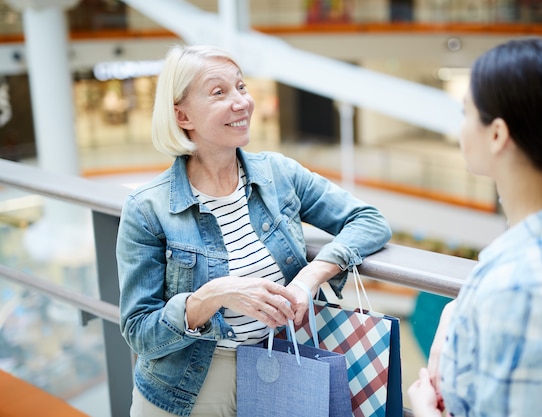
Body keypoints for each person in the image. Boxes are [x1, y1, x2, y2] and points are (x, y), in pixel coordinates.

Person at [115, 44, 392, 417]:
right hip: (185, 390)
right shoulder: (148, 209)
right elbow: (139, 331)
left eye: (241, 87)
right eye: (219, 92)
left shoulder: (279, 175)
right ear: (182, 115)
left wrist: (310, 277)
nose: (241, 102)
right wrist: (212, 296)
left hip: (278, 369)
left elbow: (370, 221)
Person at [408, 37, 542, 417]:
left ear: (497, 134)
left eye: (466, 112)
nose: (461, 126)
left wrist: (424, 412)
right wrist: (455, 312)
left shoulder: (518, 287)